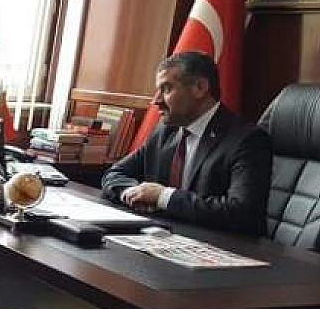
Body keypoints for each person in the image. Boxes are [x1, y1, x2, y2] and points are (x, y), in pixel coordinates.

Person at [101, 51, 272, 235]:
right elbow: (115, 174)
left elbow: (242, 213)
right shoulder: (165, 131)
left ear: (200, 88)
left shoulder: (247, 139)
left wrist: (164, 197)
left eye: (166, 89)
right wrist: (133, 193)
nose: (156, 101)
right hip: (166, 237)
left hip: (221, 245)